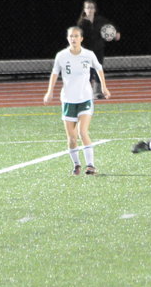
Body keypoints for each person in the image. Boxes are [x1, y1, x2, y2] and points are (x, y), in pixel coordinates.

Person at [44, 26, 111, 175]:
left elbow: (99, 68)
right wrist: (50, 91)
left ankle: (90, 166)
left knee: (82, 131)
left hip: (85, 98)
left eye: (76, 36)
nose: (73, 39)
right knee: (72, 138)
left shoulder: (88, 54)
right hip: (68, 100)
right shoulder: (61, 56)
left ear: (81, 38)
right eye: (71, 36)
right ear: (68, 38)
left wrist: (104, 87)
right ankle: (76, 165)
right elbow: (55, 73)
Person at [77, 0, 121, 99]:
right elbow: (79, 37)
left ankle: (97, 92)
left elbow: (111, 26)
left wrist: (116, 32)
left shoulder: (100, 20)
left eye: (92, 8)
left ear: (95, 9)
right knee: (88, 71)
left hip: (98, 49)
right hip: (87, 50)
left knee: (98, 69)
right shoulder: (81, 23)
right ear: (84, 10)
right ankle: (85, 91)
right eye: (88, 8)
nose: (90, 10)